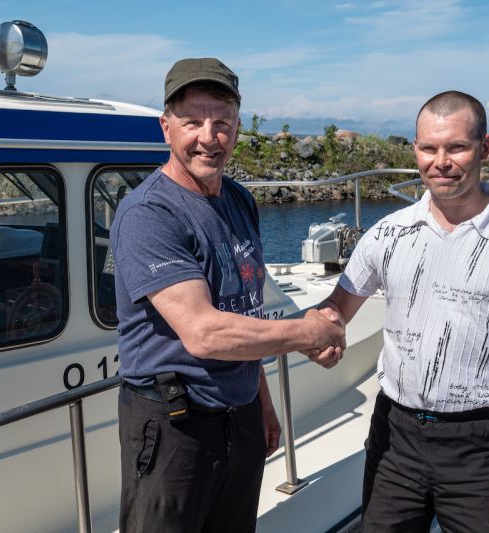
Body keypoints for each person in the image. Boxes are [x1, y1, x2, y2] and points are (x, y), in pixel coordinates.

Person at [319, 90, 489, 533]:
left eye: (456, 147)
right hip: (395, 436)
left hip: (485, 444)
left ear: (485, 147)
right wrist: (319, 330)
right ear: (415, 149)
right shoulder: (388, 233)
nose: (441, 162)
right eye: (429, 148)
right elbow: (337, 308)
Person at [110, 57, 345, 533]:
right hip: (174, 426)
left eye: (221, 122)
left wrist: (260, 401)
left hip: (239, 416)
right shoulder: (149, 214)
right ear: (166, 128)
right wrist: (308, 333)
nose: (208, 136)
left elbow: (244, 309)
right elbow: (204, 333)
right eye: (192, 122)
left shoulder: (239, 200)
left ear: (237, 128)